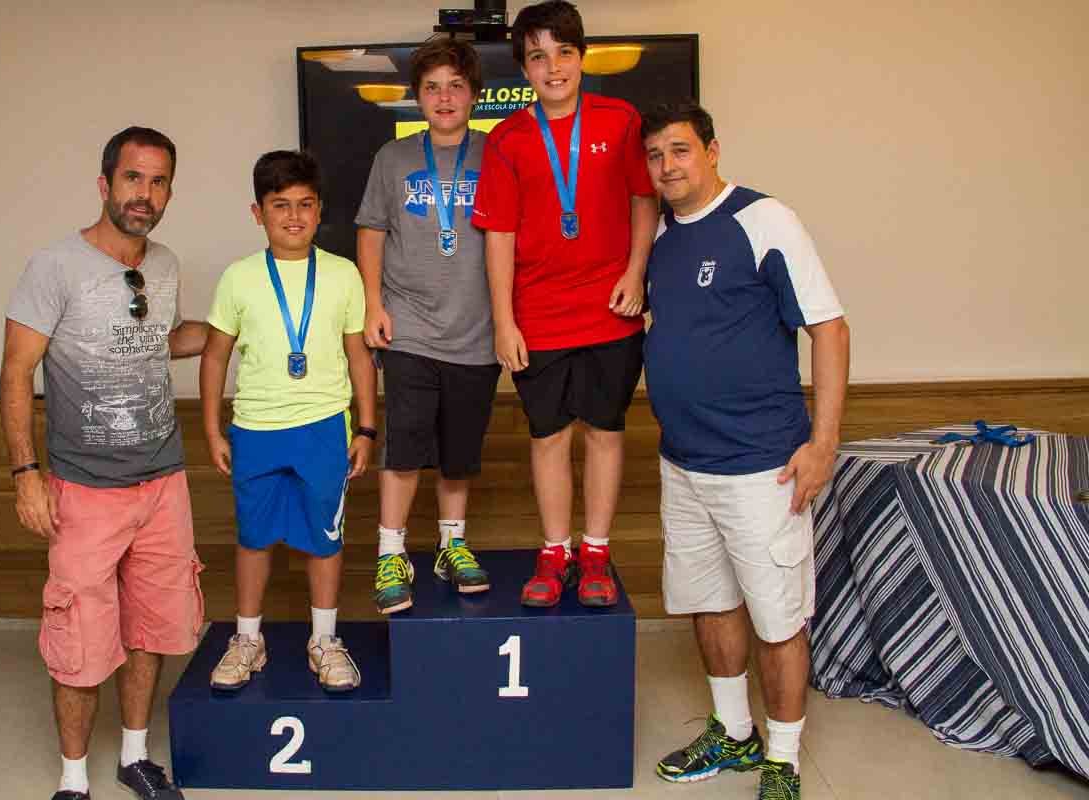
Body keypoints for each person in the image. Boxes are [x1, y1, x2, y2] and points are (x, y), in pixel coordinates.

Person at [641, 102, 850, 800]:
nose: (667, 166)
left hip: (764, 466)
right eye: (655, 155)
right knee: (710, 603)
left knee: (778, 619)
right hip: (683, 463)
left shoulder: (765, 220)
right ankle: (734, 734)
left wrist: (823, 444)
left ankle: (783, 760)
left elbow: (830, 329)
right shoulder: (661, 235)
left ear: (712, 151)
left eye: (680, 150)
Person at [0, 126, 208, 800]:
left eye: (158, 181)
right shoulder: (54, 266)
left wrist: (237, 325)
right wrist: (26, 474)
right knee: (80, 640)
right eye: (132, 178)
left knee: (150, 628)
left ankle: (136, 758)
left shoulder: (166, 265)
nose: (144, 193)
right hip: (83, 488)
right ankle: (73, 781)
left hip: (163, 481)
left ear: (169, 191)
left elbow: (162, 339)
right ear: (105, 184)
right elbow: (15, 372)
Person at [472, 0, 659, 607]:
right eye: (538, 56)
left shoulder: (621, 120)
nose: (552, 67)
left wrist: (636, 273)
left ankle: (596, 551)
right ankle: (555, 552)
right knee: (548, 435)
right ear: (523, 67)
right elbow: (498, 234)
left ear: (582, 58)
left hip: (611, 308)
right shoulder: (506, 139)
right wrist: (504, 321)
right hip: (539, 316)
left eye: (564, 53)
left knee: (605, 429)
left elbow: (644, 199)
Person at [200, 150, 376, 693]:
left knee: (324, 538)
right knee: (254, 538)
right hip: (255, 429)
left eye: (305, 204)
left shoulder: (343, 274)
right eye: (280, 205)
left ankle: (324, 639)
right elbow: (214, 356)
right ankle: (247, 639)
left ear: (320, 210)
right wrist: (212, 429)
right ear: (259, 213)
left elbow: (359, 355)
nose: (293, 216)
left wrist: (366, 427)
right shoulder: (239, 277)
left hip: (323, 427)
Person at [354, 38, 499, 615]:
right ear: (417, 96)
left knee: (459, 453)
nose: (444, 98)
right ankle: (391, 552)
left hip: (476, 329)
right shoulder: (392, 159)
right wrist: (372, 303)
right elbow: (371, 231)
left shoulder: (497, 153)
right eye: (432, 87)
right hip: (408, 325)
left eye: (456, 86)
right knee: (405, 447)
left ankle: (450, 545)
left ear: (474, 95)